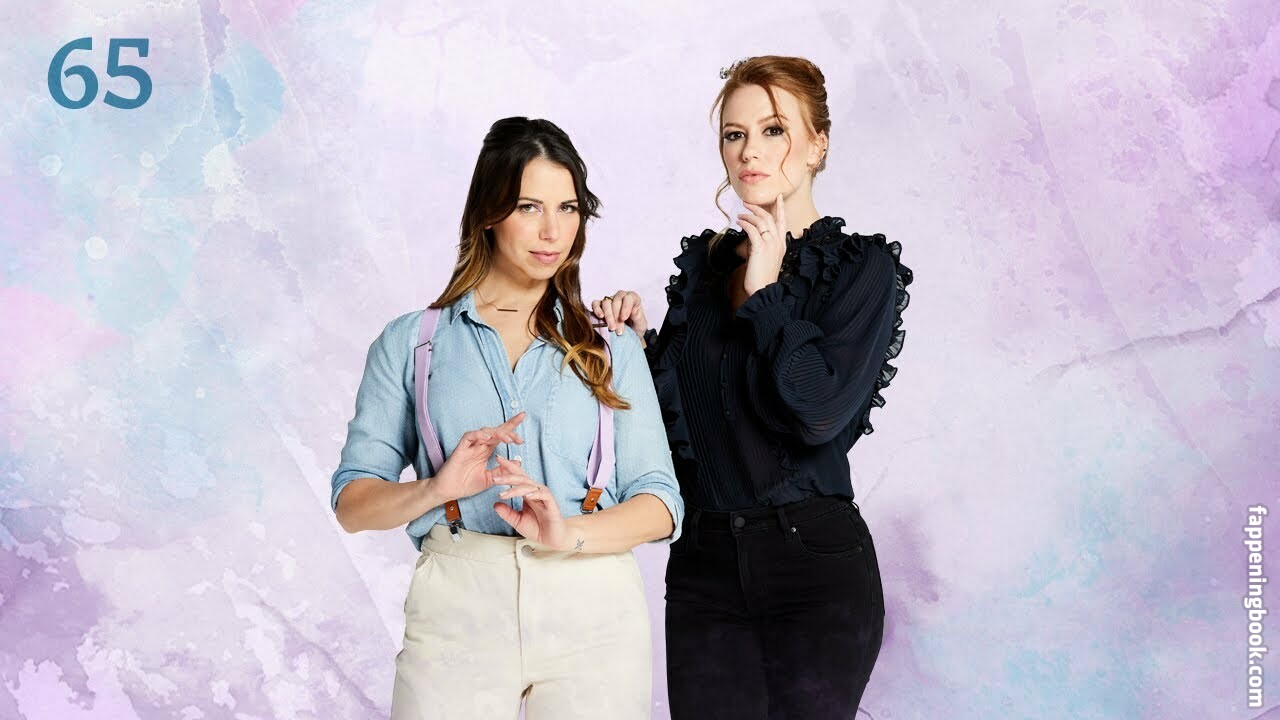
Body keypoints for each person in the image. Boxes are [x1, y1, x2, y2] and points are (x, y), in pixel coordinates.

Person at [330, 116, 684, 719]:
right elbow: (352, 503)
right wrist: (435, 489)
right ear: (490, 213)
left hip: (593, 607)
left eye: (568, 208)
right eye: (529, 207)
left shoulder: (610, 343)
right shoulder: (411, 343)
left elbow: (660, 502)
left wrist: (567, 535)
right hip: (457, 606)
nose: (553, 231)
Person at [592, 56, 912, 719]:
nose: (749, 152)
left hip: (813, 567)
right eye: (734, 135)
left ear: (817, 144)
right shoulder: (705, 270)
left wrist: (766, 293)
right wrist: (637, 345)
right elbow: (677, 436)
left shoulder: (860, 269)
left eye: (773, 130)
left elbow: (818, 413)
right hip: (704, 568)